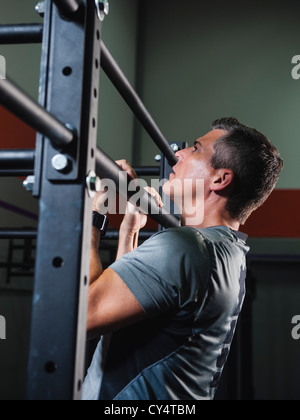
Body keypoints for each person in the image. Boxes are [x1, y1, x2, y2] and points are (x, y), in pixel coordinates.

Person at [82, 117, 283, 400]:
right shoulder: (227, 251)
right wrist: (129, 234)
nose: (179, 153)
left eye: (196, 149)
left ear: (220, 179)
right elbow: (124, 306)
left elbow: (84, 315)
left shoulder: (186, 246)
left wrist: (94, 211)